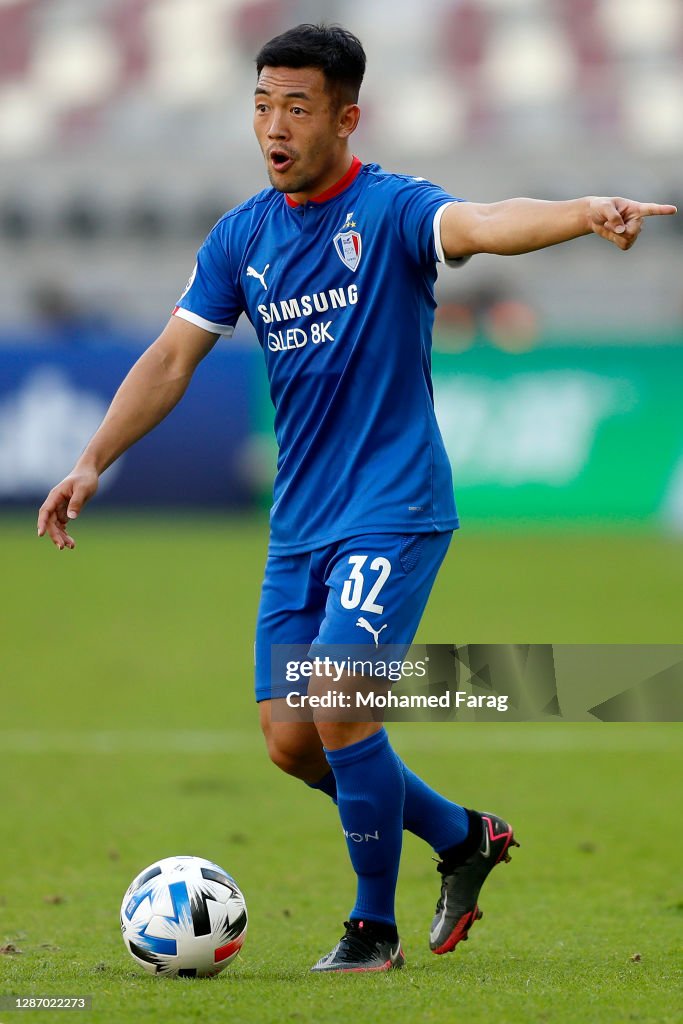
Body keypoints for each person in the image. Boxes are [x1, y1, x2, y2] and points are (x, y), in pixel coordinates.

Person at [37, 24, 676, 973]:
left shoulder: (391, 210)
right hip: (300, 521)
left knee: (336, 700)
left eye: (296, 107)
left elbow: (483, 223)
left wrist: (583, 210)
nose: (274, 127)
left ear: (346, 116)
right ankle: (463, 838)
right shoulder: (241, 236)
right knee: (292, 743)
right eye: (261, 105)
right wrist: (94, 458)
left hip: (394, 503)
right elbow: (173, 356)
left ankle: (369, 930)